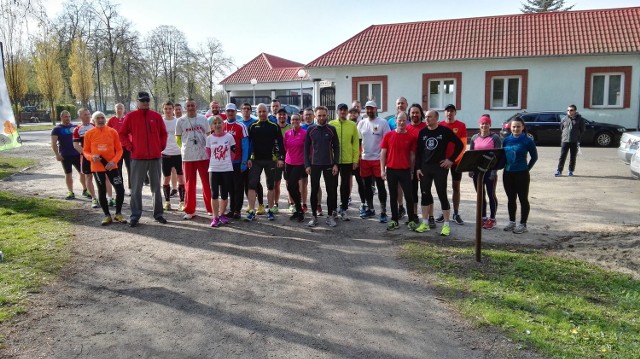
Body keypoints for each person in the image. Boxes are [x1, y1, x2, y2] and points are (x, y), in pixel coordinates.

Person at [119, 91, 168, 227]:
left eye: (147, 101)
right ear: (138, 102)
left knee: (156, 188)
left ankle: (158, 214)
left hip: (155, 157)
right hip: (137, 157)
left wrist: (160, 146)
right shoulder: (131, 116)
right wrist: (130, 147)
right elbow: (122, 134)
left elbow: (163, 134)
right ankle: (135, 215)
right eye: (142, 101)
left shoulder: (156, 116)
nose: (145, 103)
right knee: (136, 188)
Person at [414, 110, 464, 236]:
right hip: (425, 168)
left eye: (430, 117)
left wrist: (451, 160)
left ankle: (446, 225)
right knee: (425, 194)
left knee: (442, 194)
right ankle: (425, 223)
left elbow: (459, 145)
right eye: (426, 117)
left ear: (436, 118)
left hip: (439, 168)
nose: (427, 119)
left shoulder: (444, 131)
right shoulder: (423, 132)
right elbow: (419, 152)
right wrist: (418, 168)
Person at [82, 111, 126, 225]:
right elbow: (85, 151)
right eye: (98, 118)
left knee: (120, 190)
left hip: (112, 165)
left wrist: (113, 161)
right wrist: (91, 157)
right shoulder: (89, 133)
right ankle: (107, 215)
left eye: (102, 118)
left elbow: (120, 150)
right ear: (94, 120)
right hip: (97, 167)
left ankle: (118, 214)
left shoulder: (112, 132)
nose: (101, 120)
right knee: (102, 191)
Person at [245, 103, 285, 221]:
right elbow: (248, 144)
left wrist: (280, 158)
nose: (262, 114)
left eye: (264, 111)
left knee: (270, 186)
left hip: (270, 160)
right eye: (260, 111)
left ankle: (270, 210)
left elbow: (280, 143)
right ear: (257, 113)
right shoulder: (252, 126)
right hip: (256, 160)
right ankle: (251, 210)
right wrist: (248, 158)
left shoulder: (274, 126)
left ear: (267, 112)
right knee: (252, 185)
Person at [380, 112, 418, 231]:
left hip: (405, 170)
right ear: (395, 120)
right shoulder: (388, 135)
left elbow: (412, 156)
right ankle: (394, 220)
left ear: (407, 121)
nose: (401, 122)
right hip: (391, 170)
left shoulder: (411, 137)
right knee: (393, 196)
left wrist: (412, 171)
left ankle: (411, 220)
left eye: (404, 120)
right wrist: (382, 170)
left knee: (409, 196)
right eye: (399, 120)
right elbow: (383, 154)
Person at [176, 98, 213, 220]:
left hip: (203, 155)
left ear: (196, 106)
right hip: (188, 156)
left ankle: (211, 208)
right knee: (189, 184)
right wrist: (185, 148)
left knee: (206, 182)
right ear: (185, 108)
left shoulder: (203, 119)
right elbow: (178, 139)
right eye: (188, 106)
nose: (191, 108)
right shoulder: (180, 121)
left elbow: (208, 135)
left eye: (193, 105)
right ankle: (190, 210)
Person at [305, 106, 339, 227]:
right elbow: (306, 149)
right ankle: (314, 216)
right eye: (319, 115)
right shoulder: (310, 129)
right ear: (315, 116)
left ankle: (330, 216)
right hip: (314, 165)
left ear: (327, 115)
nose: (321, 118)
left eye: (324, 115)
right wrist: (307, 165)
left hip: (329, 164)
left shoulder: (331, 129)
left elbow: (336, 147)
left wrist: (336, 164)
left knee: (331, 191)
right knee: (314, 191)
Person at [502, 116, 538, 234]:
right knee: (511, 199)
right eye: (514, 127)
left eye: (518, 126)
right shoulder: (506, 140)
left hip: (521, 174)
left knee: (523, 199)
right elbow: (502, 156)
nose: (516, 129)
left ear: (523, 127)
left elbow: (534, 157)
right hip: (508, 173)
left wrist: (527, 168)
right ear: (510, 128)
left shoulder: (528, 141)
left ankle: (523, 224)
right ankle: (512, 222)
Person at [356, 100, 390, 222]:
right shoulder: (361, 123)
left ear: (376, 109)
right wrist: (358, 157)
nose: (369, 110)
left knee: (380, 186)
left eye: (372, 108)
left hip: (378, 159)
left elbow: (387, 141)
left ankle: (383, 212)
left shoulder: (383, 122)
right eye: (367, 108)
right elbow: (358, 141)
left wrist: (385, 159)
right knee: (366, 187)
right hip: (365, 159)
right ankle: (370, 209)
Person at [435, 104, 467, 225]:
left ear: (455, 112)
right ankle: (445, 211)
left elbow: (463, 146)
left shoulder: (461, 125)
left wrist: (453, 160)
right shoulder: (440, 125)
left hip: (456, 162)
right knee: (442, 188)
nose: (449, 113)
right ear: (444, 113)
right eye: (447, 111)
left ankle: (456, 213)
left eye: (452, 111)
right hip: (442, 162)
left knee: (456, 187)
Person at [469, 115, 502, 230]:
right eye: (482, 123)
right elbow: (471, 154)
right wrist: (471, 169)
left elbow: (498, 155)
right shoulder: (474, 138)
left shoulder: (495, 138)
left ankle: (492, 219)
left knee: (490, 194)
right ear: (479, 125)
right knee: (480, 195)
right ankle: (483, 218)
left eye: (486, 124)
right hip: (478, 172)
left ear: (490, 125)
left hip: (490, 171)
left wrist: (494, 171)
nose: (484, 126)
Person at [329, 103, 359, 221]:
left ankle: (344, 208)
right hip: (334, 160)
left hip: (347, 160)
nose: (342, 112)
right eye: (340, 110)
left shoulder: (352, 125)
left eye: (345, 110)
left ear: (347, 112)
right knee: (333, 185)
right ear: (337, 111)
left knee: (345, 186)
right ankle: (333, 209)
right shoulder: (331, 124)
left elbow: (356, 142)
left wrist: (355, 159)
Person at [50, 110, 87, 200]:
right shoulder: (57, 129)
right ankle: (70, 191)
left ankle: (85, 190)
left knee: (82, 173)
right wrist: (57, 154)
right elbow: (53, 143)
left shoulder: (75, 127)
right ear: (61, 118)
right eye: (66, 117)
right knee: (68, 173)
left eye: (69, 116)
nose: (68, 118)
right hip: (65, 155)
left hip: (77, 154)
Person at [206, 115, 235, 227]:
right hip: (214, 169)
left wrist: (226, 162)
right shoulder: (209, 139)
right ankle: (215, 217)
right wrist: (216, 162)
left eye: (219, 123)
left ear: (223, 125)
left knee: (224, 194)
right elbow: (208, 154)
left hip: (227, 169)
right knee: (214, 194)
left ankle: (222, 214)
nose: (217, 125)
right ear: (212, 126)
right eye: (215, 123)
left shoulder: (229, 137)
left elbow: (233, 152)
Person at [222, 103, 249, 220]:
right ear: (225, 112)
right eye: (228, 111)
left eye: (232, 111)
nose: (230, 113)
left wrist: (244, 161)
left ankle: (237, 210)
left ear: (235, 112)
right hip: (225, 163)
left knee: (238, 187)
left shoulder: (241, 126)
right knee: (230, 188)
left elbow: (245, 145)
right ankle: (232, 209)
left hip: (238, 162)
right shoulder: (221, 125)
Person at [240, 102, 266, 215]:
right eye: (244, 109)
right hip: (243, 158)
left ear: (251, 111)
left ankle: (261, 204)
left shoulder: (255, 123)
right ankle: (251, 204)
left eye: (248, 109)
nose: (246, 110)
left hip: (254, 157)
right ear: (241, 111)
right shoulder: (239, 124)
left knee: (255, 182)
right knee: (246, 182)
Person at [161, 101, 185, 211]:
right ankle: (167, 202)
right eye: (166, 109)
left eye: (170, 108)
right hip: (165, 153)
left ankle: (182, 202)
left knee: (181, 178)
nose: (168, 111)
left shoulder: (179, 121)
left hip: (178, 153)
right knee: (166, 178)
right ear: (163, 110)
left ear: (173, 109)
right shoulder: (160, 122)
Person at [72, 108, 98, 208]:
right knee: (88, 177)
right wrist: (86, 154)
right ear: (80, 117)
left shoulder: (95, 126)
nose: (87, 116)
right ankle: (94, 198)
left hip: (98, 156)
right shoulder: (77, 129)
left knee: (104, 177)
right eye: (85, 115)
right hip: (86, 157)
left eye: (88, 114)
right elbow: (76, 145)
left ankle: (107, 197)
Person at [283, 114, 306, 222]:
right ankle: (298, 210)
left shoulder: (304, 133)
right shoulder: (287, 133)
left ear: (300, 120)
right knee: (293, 187)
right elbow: (285, 148)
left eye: (297, 119)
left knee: (291, 186)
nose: (295, 121)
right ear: (290, 121)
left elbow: (308, 149)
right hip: (288, 163)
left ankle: (300, 209)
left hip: (299, 163)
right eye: (292, 120)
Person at [407, 103, 427, 224]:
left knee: (426, 191)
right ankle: (414, 214)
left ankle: (428, 216)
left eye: (417, 112)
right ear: (409, 114)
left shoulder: (426, 127)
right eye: (412, 112)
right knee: (412, 191)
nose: (415, 114)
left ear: (421, 114)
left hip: (425, 164)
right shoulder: (407, 128)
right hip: (411, 166)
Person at [300, 107, 321, 214]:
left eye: (310, 114)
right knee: (303, 183)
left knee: (316, 184)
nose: (307, 116)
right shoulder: (300, 127)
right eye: (306, 115)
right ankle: (304, 204)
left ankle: (318, 205)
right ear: (303, 116)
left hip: (315, 160)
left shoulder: (317, 127)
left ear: (314, 116)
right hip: (303, 160)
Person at [555, 104, 585, 177]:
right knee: (562, 156)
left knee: (573, 157)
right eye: (568, 110)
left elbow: (582, 130)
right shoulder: (564, 119)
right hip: (565, 141)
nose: (569, 112)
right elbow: (562, 128)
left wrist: (577, 138)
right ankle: (559, 171)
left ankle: (570, 171)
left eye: (571, 110)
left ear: (575, 111)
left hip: (574, 141)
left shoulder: (580, 120)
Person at [107, 103, 131, 191]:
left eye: (121, 108)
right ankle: (121, 188)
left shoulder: (127, 119)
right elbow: (107, 133)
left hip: (127, 147)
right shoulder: (111, 120)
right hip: (117, 149)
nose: (119, 110)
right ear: (115, 110)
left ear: (124, 109)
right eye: (117, 108)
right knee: (118, 168)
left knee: (130, 168)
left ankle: (131, 187)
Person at [348, 107, 367, 215]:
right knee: (346, 182)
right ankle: (345, 201)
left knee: (361, 182)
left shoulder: (361, 125)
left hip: (359, 159)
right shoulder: (345, 126)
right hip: (347, 159)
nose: (353, 115)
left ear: (358, 115)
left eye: (355, 113)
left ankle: (363, 203)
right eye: (351, 113)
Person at [273, 108, 292, 213]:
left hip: (290, 159)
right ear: (276, 116)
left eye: (284, 115)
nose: (282, 116)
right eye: (279, 115)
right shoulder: (273, 127)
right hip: (276, 159)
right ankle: (275, 204)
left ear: (287, 116)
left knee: (289, 182)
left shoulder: (290, 127)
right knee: (276, 183)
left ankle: (291, 203)